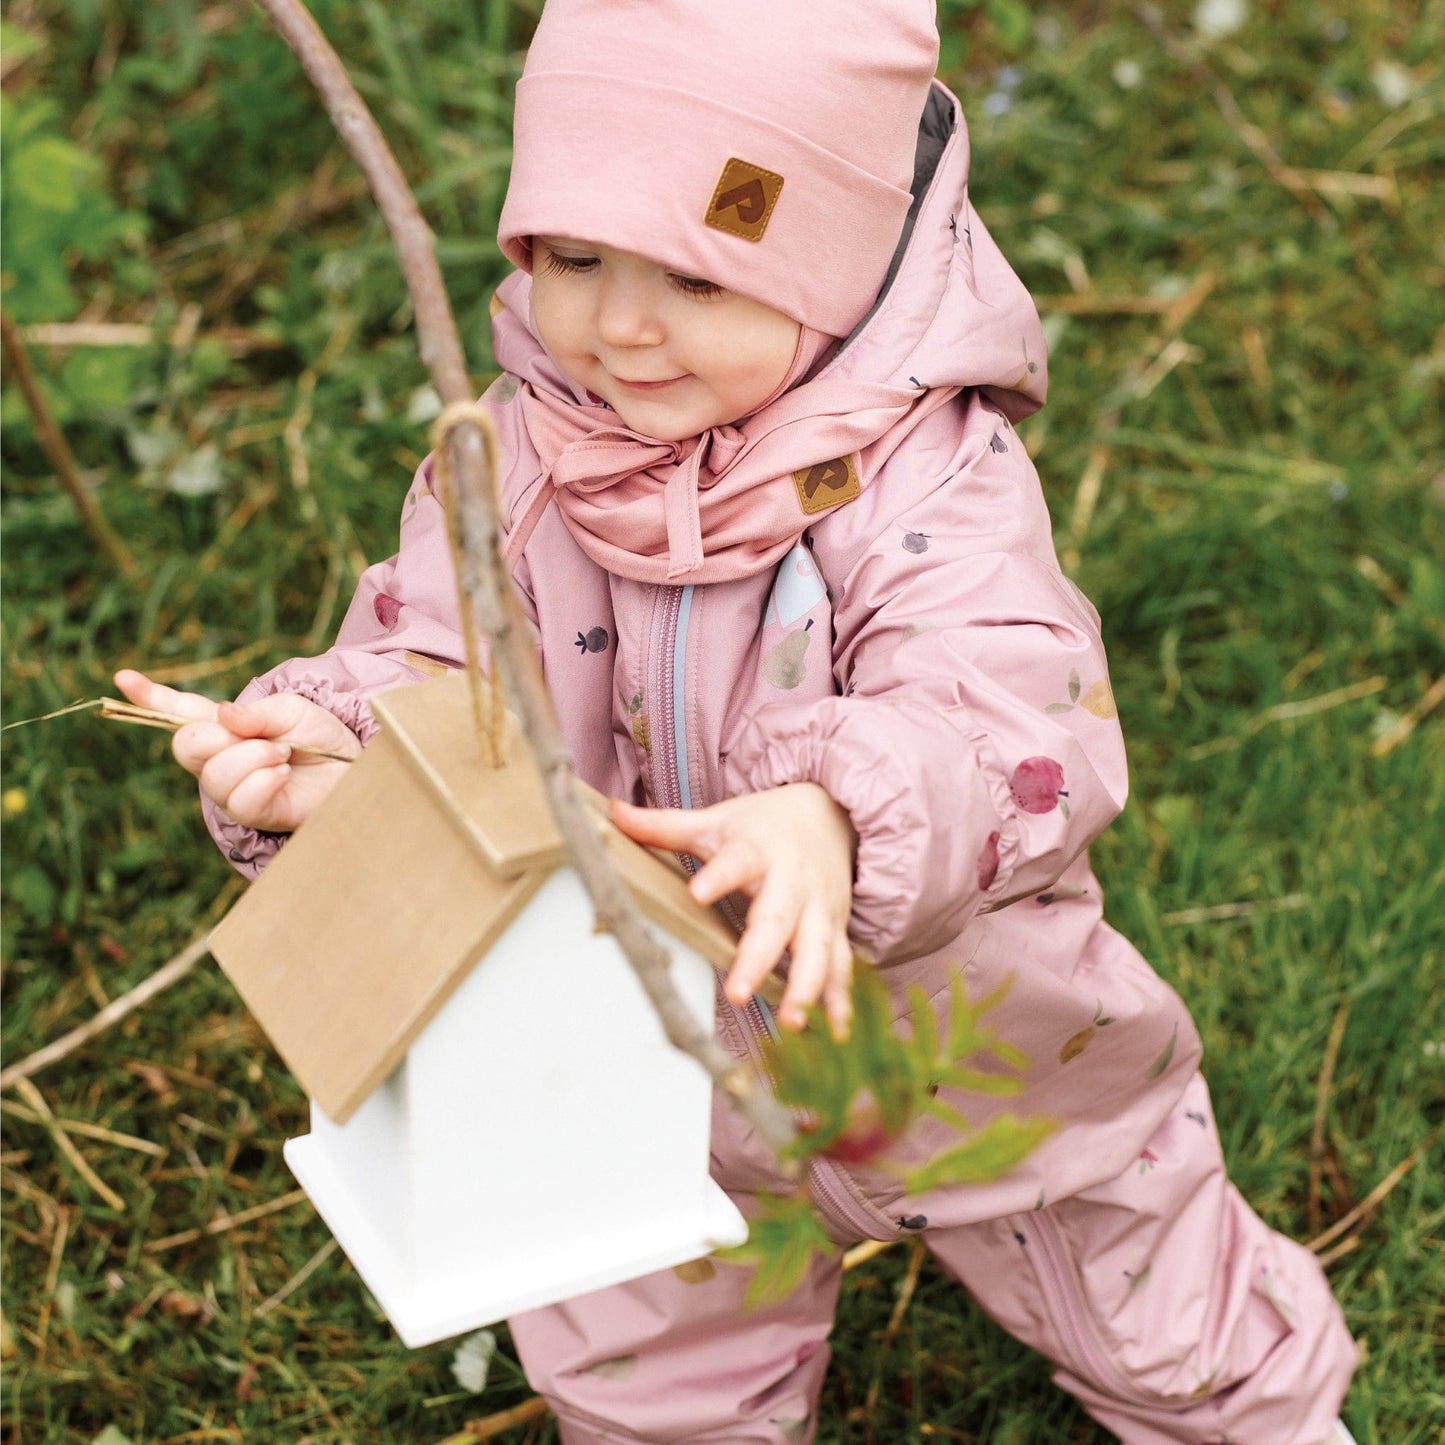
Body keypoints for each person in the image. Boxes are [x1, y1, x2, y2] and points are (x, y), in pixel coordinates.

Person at [116, 1, 1360, 1439]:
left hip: (968, 1034)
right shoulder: (522, 455)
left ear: (833, 257)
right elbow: (452, 666)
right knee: (642, 1343)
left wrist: (839, 810)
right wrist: (341, 754)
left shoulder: (930, 480)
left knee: (1139, 1275)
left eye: (701, 278)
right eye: (575, 258)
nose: (620, 326)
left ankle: (1249, 1412)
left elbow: (1010, 704)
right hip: (632, 1050)